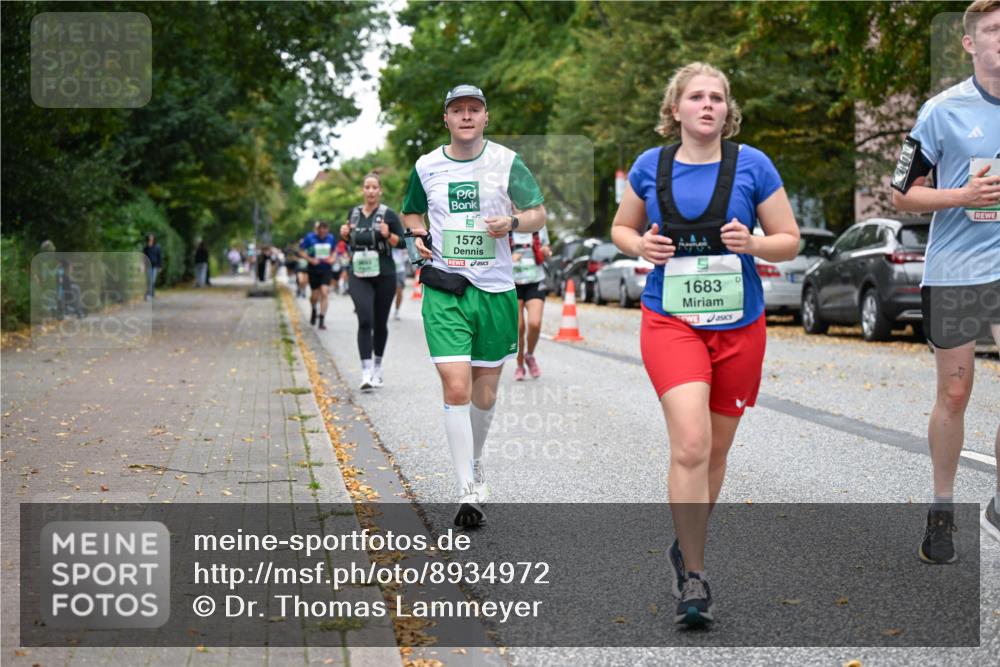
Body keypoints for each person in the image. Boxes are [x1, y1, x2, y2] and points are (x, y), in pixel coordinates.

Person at [610, 62, 799, 627]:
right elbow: (621, 228)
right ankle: (694, 573)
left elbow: (788, 240)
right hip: (671, 320)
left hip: (739, 325)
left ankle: (683, 543)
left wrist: (756, 242)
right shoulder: (651, 166)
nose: (708, 105)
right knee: (690, 445)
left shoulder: (753, 165)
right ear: (677, 110)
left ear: (727, 110)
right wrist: (641, 243)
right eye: (696, 97)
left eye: (717, 97)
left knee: (715, 452)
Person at [401, 84, 547, 527]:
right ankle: (467, 487)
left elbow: (539, 212)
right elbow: (410, 212)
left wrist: (514, 222)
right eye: (457, 110)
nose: (466, 116)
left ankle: (476, 461)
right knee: (457, 387)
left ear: (486, 117)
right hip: (446, 288)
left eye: (474, 110)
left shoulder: (506, 162)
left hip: (497, 290)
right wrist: (417, 237)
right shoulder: (426, 166)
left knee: (485, 393)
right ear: (446, 119)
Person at [891, 0, 1000, 559]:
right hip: (958, 271)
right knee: (955, 393)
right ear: (969, 44)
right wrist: (962, 196)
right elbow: (899, 192)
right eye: (995, 30)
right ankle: (942, 507)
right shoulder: (942, 111)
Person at [339, 172, 406, 389]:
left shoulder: (389, 214)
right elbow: (349, 241)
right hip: (359, 272)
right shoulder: (354, 214)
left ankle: (378, 367)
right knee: (365, 318)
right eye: (366, 187)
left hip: (384, 273)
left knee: (379, 323)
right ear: (362, 190)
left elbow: (403, 243)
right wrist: (345, 234)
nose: (370, 191)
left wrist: (388, 235)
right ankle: (365, 372)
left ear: (380, 191)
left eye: (374, 187)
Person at [510, 227, 552, 380]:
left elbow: (546, 247)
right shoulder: (506, 225)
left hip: (535, 280)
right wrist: (510, 257)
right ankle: (520, 366)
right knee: (519, 327)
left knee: (535, 323)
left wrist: (546, 251)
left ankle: (530, 355)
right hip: (512, 282)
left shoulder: (538, 226)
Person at [299, 222, 336, 330]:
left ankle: (322, 318)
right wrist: (310, 259)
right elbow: (301, 252)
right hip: (313, 270)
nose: (324, 233)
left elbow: (334, 251)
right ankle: (314, 308)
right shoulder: (310, 238)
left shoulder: (331, 238)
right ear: (317, 230)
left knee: (325, 292)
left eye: (326, 231)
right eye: (321, 231)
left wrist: (332, 258)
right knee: (314, 296)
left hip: (326, 269)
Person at [142, 233, 163, 300]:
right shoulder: (146, 248)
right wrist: (142, 266)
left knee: (152, 281)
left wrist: (160, 266)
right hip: (148, 266)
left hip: (155, 266)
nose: (151, 239)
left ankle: (150, 294)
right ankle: (149, 294)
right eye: (150, 238)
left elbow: (159, 257)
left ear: (154, 238)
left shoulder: (157, 247)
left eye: (152, 237)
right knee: (149, 280)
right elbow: (143, 257)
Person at [392, 246, 408, 319]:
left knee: (399, 291)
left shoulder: (401, 235)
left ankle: (397, 310)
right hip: (388, 269)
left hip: (400, 270)